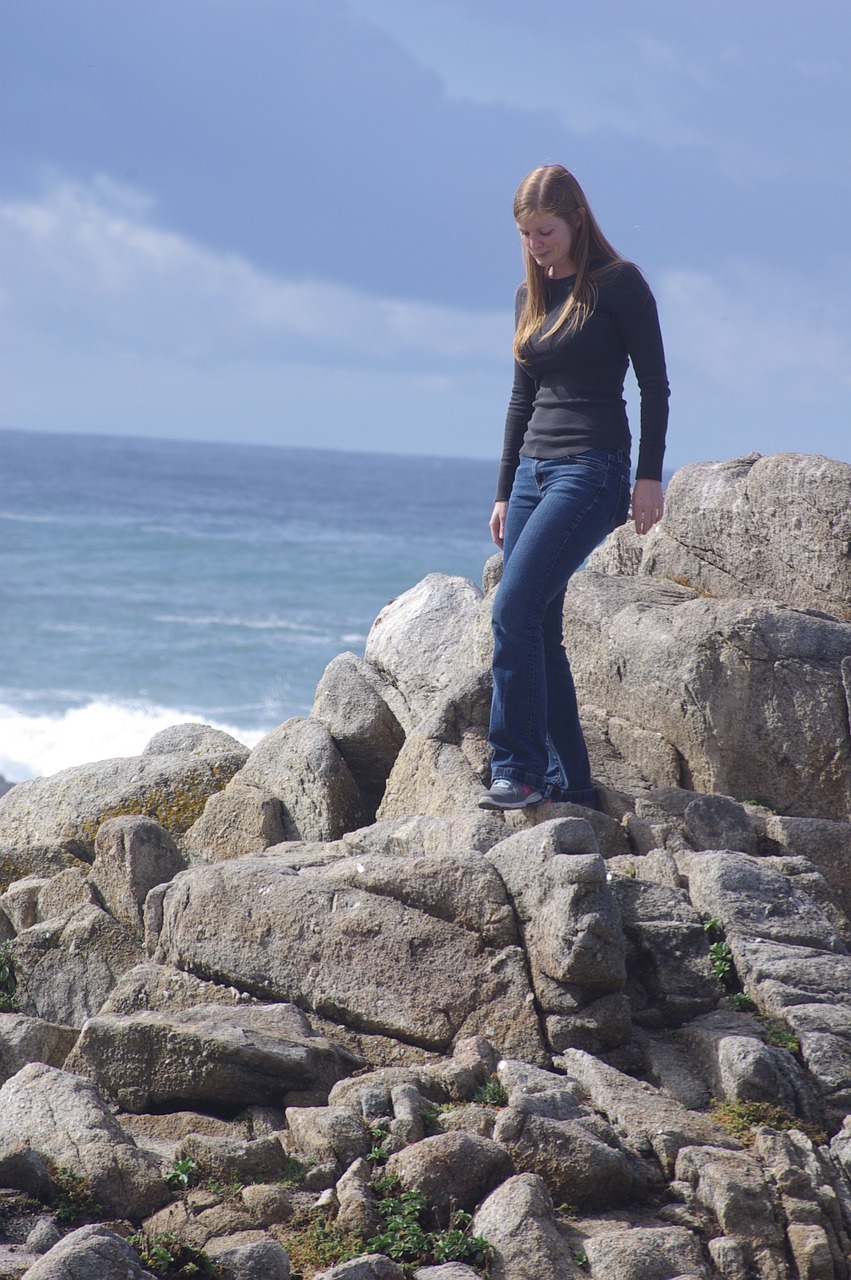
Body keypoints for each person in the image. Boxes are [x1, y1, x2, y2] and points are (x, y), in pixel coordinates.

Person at [479, 163, 669, 811]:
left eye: (545, 230)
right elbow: (518, 400)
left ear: (576, 220)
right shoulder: (526, 298)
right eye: (526, 234)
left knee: (510, 610)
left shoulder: (618, 286)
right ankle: (573, 784)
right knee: (538, 627)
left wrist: (649, 476)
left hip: (591, 469)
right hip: (532, 473)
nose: (535, 244)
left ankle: (517, 769)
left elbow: (654, 386)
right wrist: (504, 492)